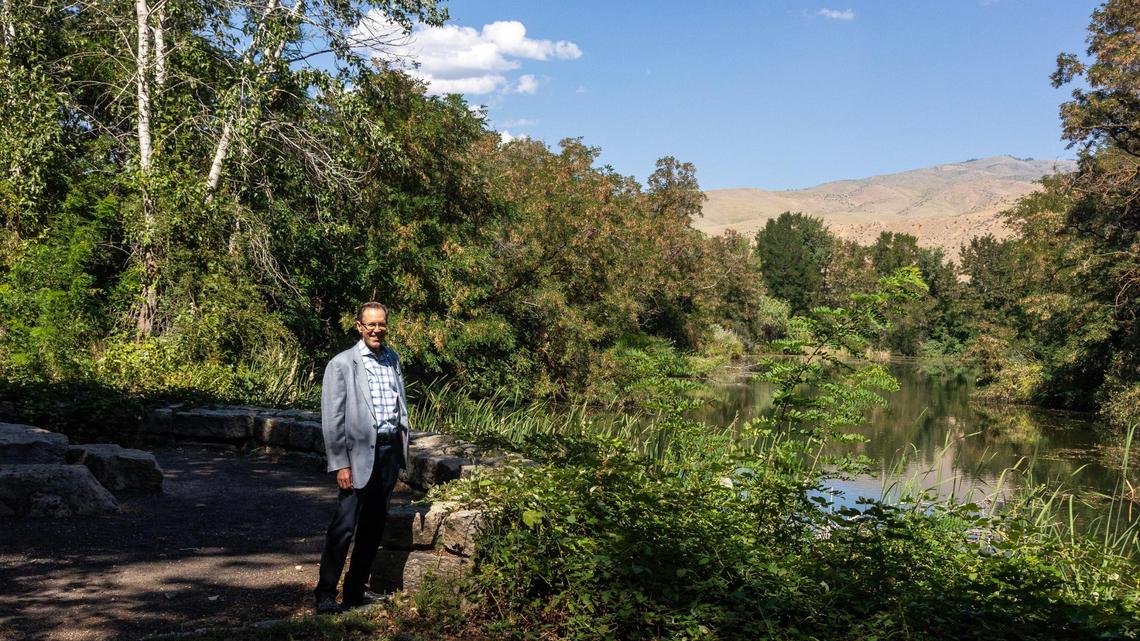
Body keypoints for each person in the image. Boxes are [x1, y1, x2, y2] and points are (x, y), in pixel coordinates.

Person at [314, 301, 411, 614]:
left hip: (387, 453)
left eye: (381, 324)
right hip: (355, 457)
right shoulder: (342, 364)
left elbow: (399, 406)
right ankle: (326, 594)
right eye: (370, 324)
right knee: (343, 526)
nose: (377, 330)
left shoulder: (392, 359)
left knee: (373, 526)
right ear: (359, 326)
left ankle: (355, 590)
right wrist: (340, 462)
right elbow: (332, 418)